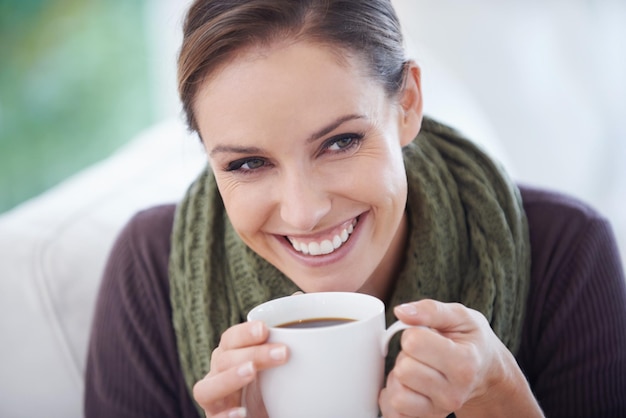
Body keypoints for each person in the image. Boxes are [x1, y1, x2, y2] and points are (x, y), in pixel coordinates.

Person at [84, 1, 626, 417]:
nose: (302, 213)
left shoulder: (566, 250)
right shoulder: (150, 268)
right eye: (248, 163)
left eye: (339, 142)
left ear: (407, 103)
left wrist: (499, 397)